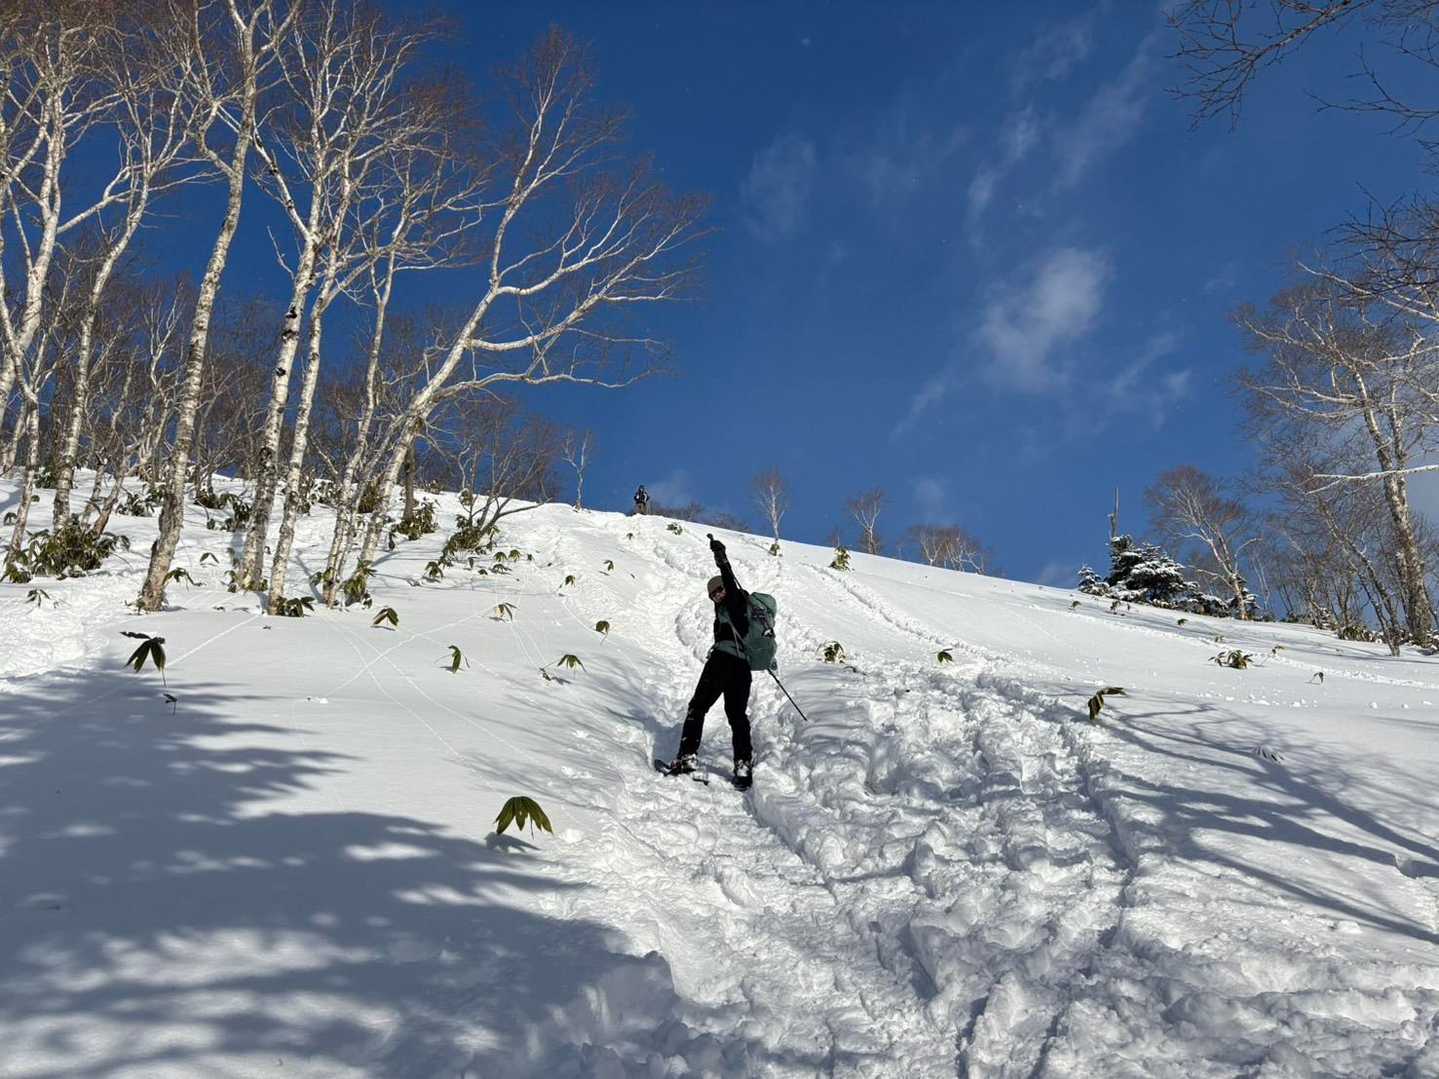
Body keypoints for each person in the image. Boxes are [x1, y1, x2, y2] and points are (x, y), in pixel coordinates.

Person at [663, 536, 754, 788]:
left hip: (722, 662)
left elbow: (728, 578)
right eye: (712, 595)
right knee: (737, 716)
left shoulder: (734, 600)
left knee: (698, 707)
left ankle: (687, 757)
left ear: (726, 589)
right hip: (742, 668)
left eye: (719, 590)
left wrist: (720, 557)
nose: (716, 595)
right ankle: (743, 766)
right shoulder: (737, 609)